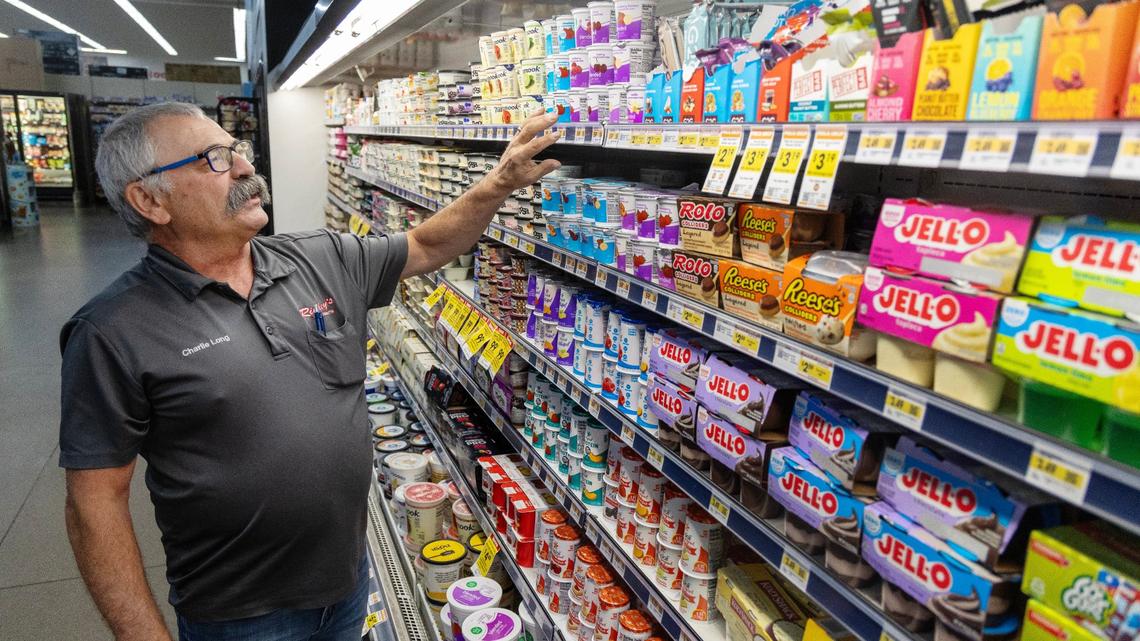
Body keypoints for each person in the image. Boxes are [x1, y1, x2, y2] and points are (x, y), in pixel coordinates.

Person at [59, 102, 562, 641]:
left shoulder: (318, 258)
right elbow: (95, 503)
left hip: (348, 583)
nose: (247, 169)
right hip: (241, 616)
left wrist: (500, 182)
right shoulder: (112, 330)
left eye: (238, 152)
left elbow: (427, 243)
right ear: (148, 199)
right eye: (213, 159)